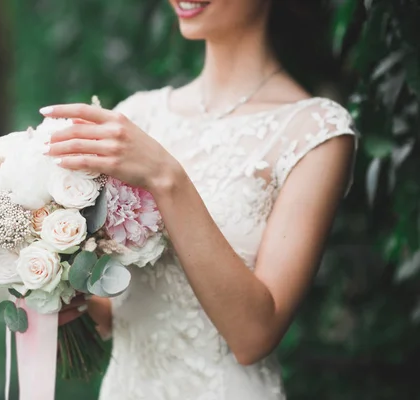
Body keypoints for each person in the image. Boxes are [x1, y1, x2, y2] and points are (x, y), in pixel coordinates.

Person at [44, 0, 357, 398]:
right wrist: (57, 290)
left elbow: (254, 336)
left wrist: (166, 177)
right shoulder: (138, 114)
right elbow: (119, 310)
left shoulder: (314, 132)